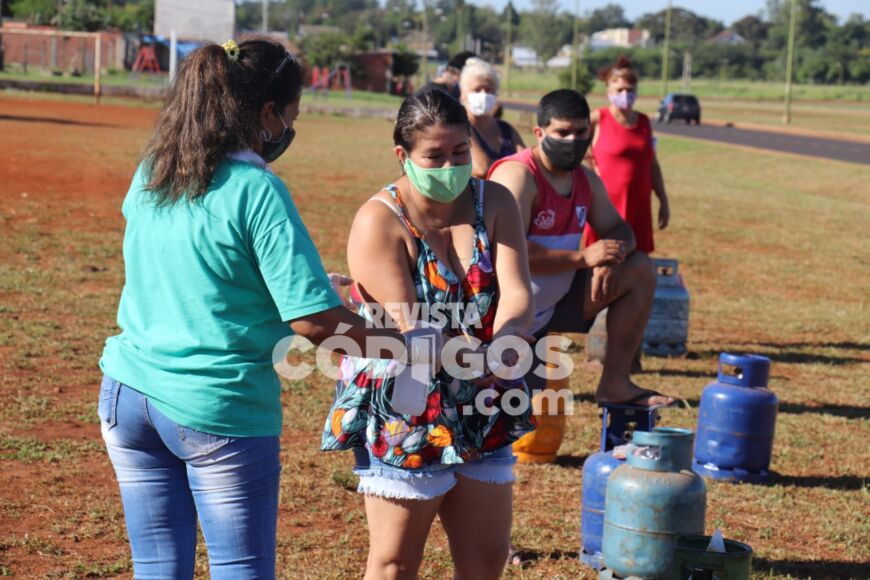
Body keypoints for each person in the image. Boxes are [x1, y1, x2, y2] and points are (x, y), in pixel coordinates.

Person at [98, 39, 419, 579]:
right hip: (216, 408)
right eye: (291, 116)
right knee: (240, 569)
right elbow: (314, 323)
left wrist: (318, 287)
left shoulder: (154, 170)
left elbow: (200, 273)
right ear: (267, 114)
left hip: (127, 396)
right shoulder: (257, 189)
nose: (291, 130)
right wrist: (397, 346)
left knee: (156, 568)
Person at [321, 89, 535, 580]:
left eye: (459, 152)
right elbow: (411, 328)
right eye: (433, 156)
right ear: (403, 155)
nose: (449, 166)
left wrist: (509, 338)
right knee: (395, 563)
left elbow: (519, 294)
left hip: (486, 399)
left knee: (484, 563)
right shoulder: (379, 219)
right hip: (408, 401)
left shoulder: (495, 200)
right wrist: (483, 356)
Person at [488, 89, 673, 410]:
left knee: (639, 268)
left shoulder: (586, 180)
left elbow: (621, 230)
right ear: (540, 133)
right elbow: (506, 251)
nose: (572, 140)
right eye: (562, 132)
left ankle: (615, 382)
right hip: (504, 317)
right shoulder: (518, 175)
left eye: (580, 132)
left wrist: (613, 257)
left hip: (558, 302)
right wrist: (585, 257)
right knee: (509, 418)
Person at [586, 56, 670, 255]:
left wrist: (663, 201)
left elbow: (653, 164)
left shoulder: (643, 122)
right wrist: (589, 165)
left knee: (636, 265)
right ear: (608, 90)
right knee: (602, 265)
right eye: (620, 90)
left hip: (638, 206)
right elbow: (573, 144)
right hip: (605, 207)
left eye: (630, 90)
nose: (625, 94)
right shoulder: (598, 118)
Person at [459, 57, 525, 179]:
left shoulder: (506, 129)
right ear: (463, 93)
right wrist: (515, 167)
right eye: (477, 90)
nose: (483, 95)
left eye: (489, 90)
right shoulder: (462, 127)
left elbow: (528, 163)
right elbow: (481, 168)